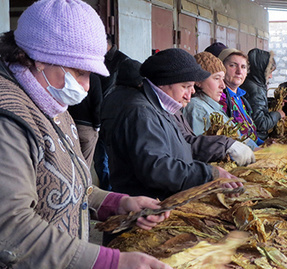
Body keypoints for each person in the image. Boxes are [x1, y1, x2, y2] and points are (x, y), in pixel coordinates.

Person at [0, 0, 170, 268]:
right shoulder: (8, 119)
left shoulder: (49, 102)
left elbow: (70, 187)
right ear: (41, 59)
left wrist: (119, 203)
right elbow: (10, 229)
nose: (86, 86)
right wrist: (109, 261)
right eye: (80, 73)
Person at [106, 48, 243, 200]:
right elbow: (157, 169)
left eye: (192, 86)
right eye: (185, 87)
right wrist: (209, 174)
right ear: (164, 84)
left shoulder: (165, 108)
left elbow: (184, 145)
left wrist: (225, 146)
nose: (190, 94)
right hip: (149, 207)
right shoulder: (141, 113)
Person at [94, 35, 134, 191]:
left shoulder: (121, 62)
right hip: (101, 116)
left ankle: (110, 193)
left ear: (106, 44)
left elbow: (107, 92)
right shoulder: (102, 60)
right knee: (100, 159)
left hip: (108, 117)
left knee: (107, 158)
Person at [218, 48, 263, 145]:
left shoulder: (241, 97)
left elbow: (250, 134)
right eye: (233, 65)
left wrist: (263, 144)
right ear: (221, 68)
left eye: (243, 67)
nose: (239, 71)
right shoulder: (220, 98)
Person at [240, 48, 285, 140]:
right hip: (258, 138)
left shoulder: (251, 82)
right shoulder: (255, 90)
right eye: (270, 72)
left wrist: (272, 102)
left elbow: (255, 105)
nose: (270, 76)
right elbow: (261, 123)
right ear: (261, 70)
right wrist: (278, 114)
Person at [67, 73, 102, 166]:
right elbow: (97, 104)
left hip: (68, 123)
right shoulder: (94, 79)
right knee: (84, 165)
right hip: (87, 127)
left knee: (68, 161)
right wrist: (97, 125)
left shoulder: (70, 73)